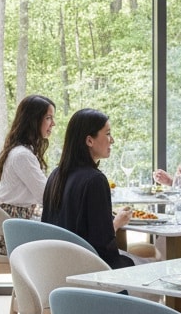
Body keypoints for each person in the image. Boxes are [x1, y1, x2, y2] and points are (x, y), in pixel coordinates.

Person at [42, 108, 154, 269]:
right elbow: (103, 245)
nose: (112, 140)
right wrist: (114, 224)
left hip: (58, 268)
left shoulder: (55, 175)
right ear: (89, 140)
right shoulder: (95, 180)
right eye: (107, 134)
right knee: (156, 268)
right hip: (91, 271)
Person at [0, 94, 56, 255]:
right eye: (48, 118)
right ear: (33, 120)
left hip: (9, 225)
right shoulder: (23, 155)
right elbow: (46, 197)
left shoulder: (20, 151)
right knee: (66, 242)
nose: (53, 124)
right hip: (11, 233)